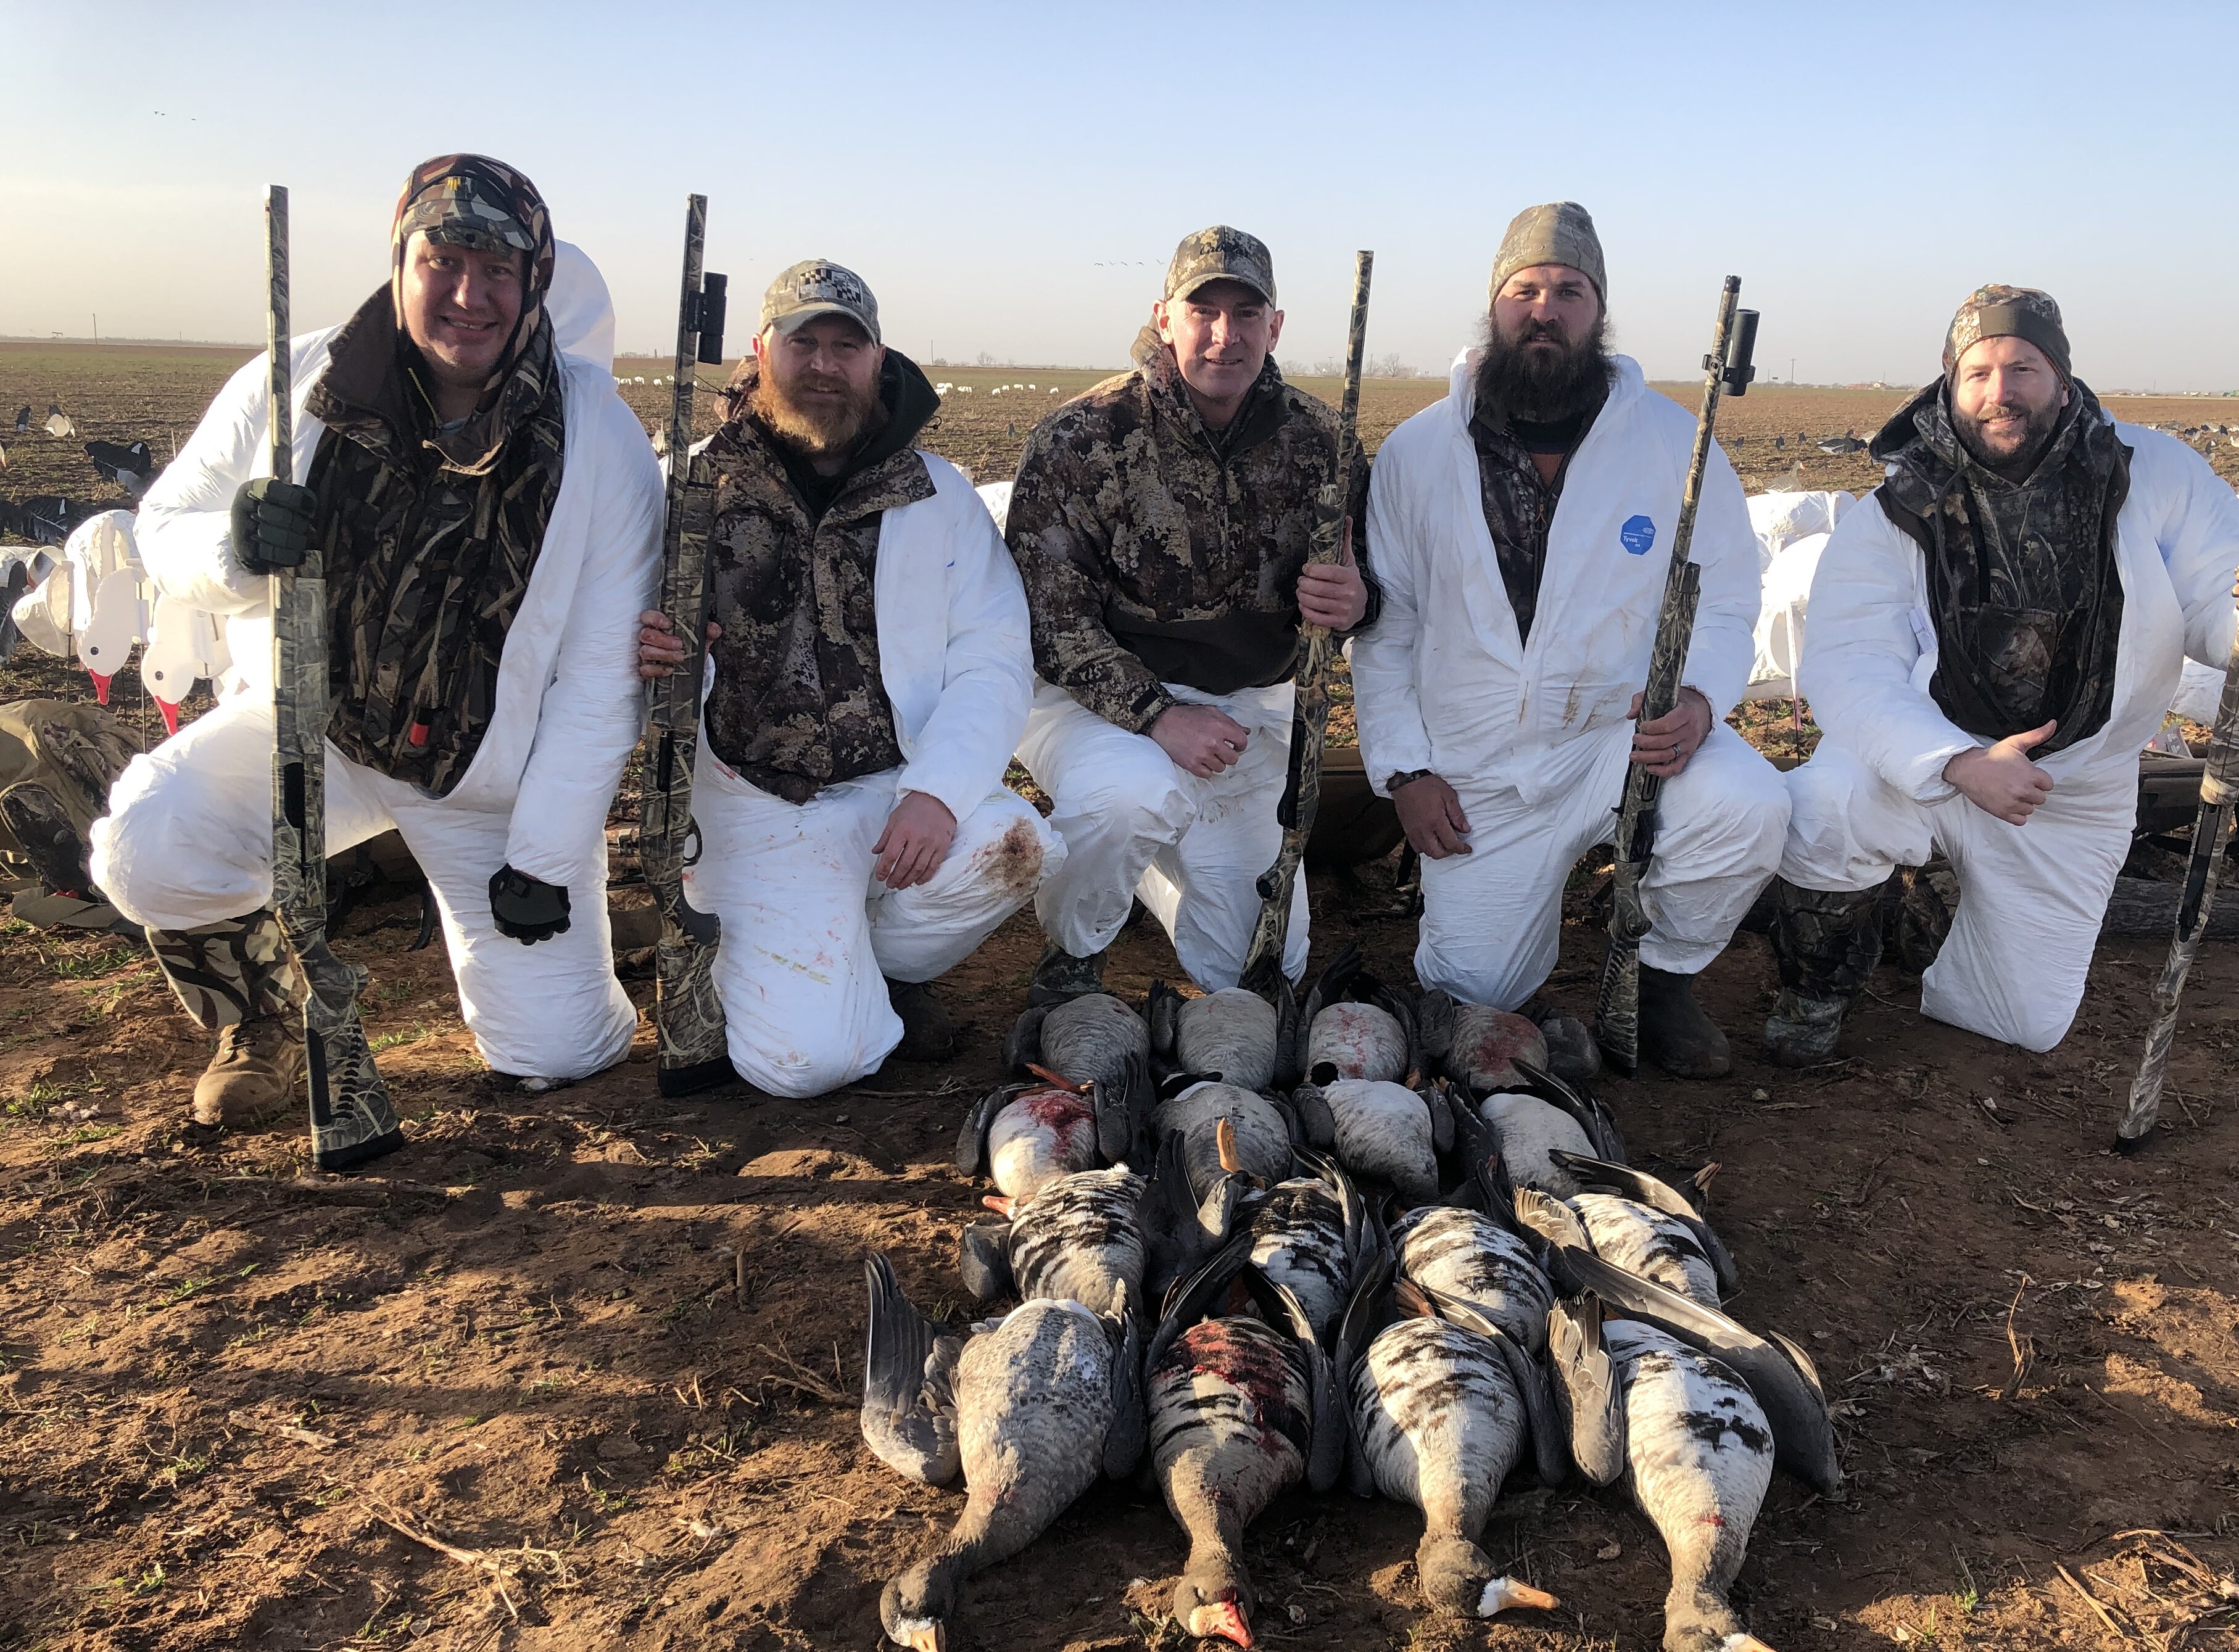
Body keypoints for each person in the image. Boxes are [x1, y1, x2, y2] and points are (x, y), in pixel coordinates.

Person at [97, 155, 658, 1124]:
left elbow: (605, 677)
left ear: (535, 282)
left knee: (557, 1052)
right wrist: (230, 545)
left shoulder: (601, 438)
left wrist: (545, 852)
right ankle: (264, 1015)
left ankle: (592, 959)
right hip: (315, 738)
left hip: (488, 773)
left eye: (499, 269)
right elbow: (164, 523)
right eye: (444, 260)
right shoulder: (293, 381)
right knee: (149, 840)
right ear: (401, 258)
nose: (469, 294)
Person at [1765, 285, 2239, 1061]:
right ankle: (1814, 997)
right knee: (1832, 801)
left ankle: (1920, 918)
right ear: (1949, 385)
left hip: (2072, 790)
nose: (2002, 392)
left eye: (2023, 368)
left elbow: (2216, 609)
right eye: (1980, 372)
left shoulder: (2153, 471)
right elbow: (1847, 662)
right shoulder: (1898, 506)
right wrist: (1955, 761)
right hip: (1930, 763)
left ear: (2060, 376)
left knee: (2024, 1023)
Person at [1352, 202, 1790, 1075]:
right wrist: (1404, 771)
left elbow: (1730, 596)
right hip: (1477, 767)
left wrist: (1700, 700)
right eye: (1526, 290)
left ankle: (1658, 981)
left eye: (1569, 290)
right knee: (1473, 994)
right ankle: (1517, 954)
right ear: (1496, 305)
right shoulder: (1416, 453)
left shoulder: (1676, 444)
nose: (1545, 308)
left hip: (1617, 743)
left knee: (1749, 805)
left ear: (1598, 311)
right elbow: (1388, 625)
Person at [632, 260, 1057, 1094]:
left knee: (1014, 844)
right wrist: (640, 648)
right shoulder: (685, 490)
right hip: (757, 805)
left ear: (877, 358)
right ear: (760, 352)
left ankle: (878, 967)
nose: (825, 365)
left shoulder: (937, 493)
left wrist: (936, 791)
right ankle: (808, 968)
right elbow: (608, 634)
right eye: (805, 344)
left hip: (891, 788)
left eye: (846, 347)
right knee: (808, 1067)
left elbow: (992, 654)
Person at [1006, 226, 1370, 1004]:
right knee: (1129, 797)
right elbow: (1051, 621)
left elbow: (1367, 591)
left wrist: (1355, 600)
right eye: (1202, 309)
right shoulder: (1082, 437)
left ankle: (1151, 875)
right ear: (1163, 316)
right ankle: (1075, 947)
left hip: (1245, 713)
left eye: (1247, 313)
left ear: (1275, 327)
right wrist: (1157, 715)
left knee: (1261, 971)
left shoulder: (1322, 444)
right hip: (1094, 704)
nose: (1224, 334)